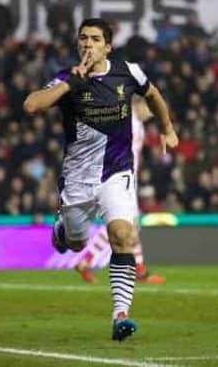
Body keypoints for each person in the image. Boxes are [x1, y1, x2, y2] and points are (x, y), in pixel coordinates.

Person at [23, 18, 178, 341]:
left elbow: (154, 96)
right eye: (83, 39)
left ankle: (120, 315)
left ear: (108, 46)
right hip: (78, 180)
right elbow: (32, 105)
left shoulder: (127, 72)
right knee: (76, 242)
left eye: (95, 39)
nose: (87, 44)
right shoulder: (67, 78)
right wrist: (69, 85)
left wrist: (167, 129)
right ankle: (63, 231)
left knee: (122, 234)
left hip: (116, 172)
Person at [74, 96, 166, 285]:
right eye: (149, 108)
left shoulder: (136, 123)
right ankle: (90, 261)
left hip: (127, 179)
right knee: (123, 225)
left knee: (130, 225)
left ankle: (136, 268)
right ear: (138, 104)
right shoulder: (127, 122)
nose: (150, 113)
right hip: (120, 178)